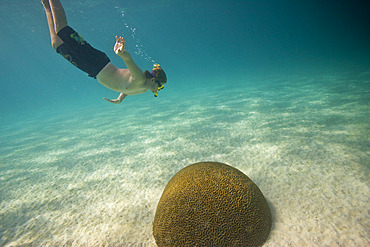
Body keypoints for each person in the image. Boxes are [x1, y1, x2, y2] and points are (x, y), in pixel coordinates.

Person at [41, 0, 167, 104]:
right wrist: (121, 53)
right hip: (97, 63)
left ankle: (47, 7)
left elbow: (127, 88)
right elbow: (128, 60)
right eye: (160, 86)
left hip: (92, 69)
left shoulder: (142, 89)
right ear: (153, 79)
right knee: (62, 32)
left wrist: (119, 99)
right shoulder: (139, 78)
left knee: (57, 45)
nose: (159, 90)